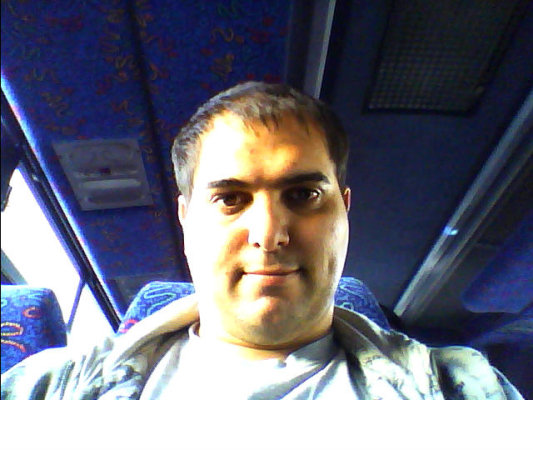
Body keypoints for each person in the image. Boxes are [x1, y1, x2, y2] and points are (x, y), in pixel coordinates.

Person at [0, 82, 522, 399]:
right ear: (186, 220)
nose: (269, 235)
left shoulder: (461, 389)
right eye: (230, 199)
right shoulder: (48, 391)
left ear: (344, 210)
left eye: (303, 194)